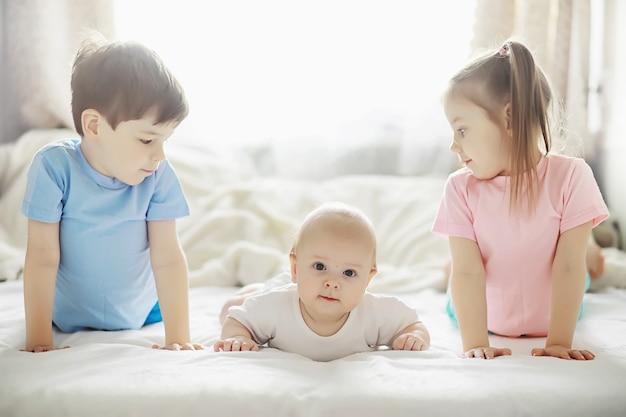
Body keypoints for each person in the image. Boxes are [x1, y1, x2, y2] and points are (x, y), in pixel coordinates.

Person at [21, 32, 202, 352]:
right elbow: (42, 256)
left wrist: (178, 338)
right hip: (64, 316)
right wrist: (38, 340)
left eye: (165, 140)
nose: (159, 155)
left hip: (142, 312)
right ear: (94, 126)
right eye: (147, 140)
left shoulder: (157, 176)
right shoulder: (54, 168)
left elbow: (167, 258)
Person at [432, 40, 609, 360]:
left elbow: (569, 266)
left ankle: (594, 250)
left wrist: (558, 342)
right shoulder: (459, 188)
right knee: (457, 271)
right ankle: (446, 269)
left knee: (582, 264)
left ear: (509, 118)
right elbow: (468, 274)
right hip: (483, 313)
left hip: (553, 314)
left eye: (461, 130)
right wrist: (475, 344)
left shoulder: (572, 176)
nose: (453, 146)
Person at [214, 202, 430, 361]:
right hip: (281, 289)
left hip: (296, 286)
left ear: (368, 280)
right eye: (320, 267)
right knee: (229, 309)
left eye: (349, 273)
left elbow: (413, 325)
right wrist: (239, 338)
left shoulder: (374, 313)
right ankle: (256, 288)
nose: (332, 283)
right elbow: (237, 322)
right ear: (296, 268)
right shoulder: (274, 306)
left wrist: (412, 337)